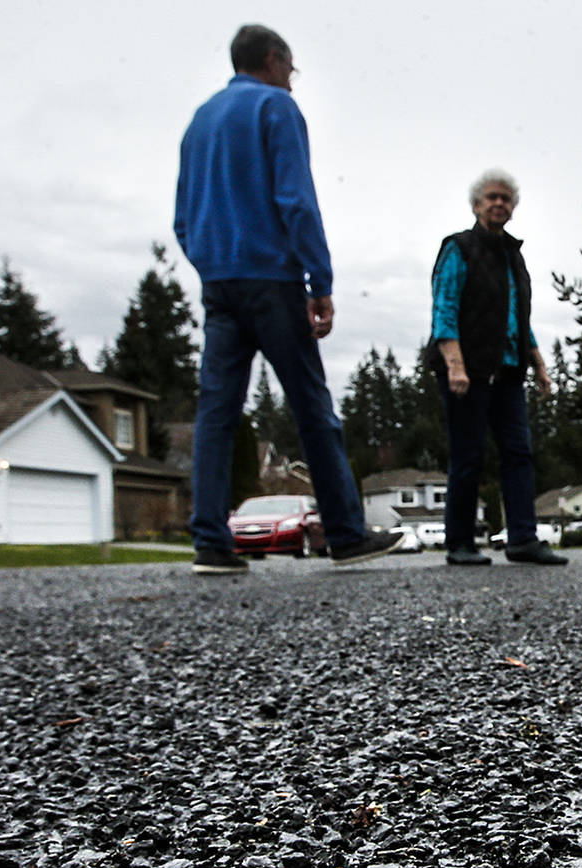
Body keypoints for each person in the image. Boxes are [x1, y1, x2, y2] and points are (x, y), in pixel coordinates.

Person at [174, 24, 401, 576]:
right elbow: (296, 199)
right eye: (292, 69)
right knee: (311, 408)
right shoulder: (275, 108)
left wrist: (212, 263)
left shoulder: (200, 120)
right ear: (274, 60)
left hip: (220, 283)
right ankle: (345, 533)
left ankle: (210, 541)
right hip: (272, 280)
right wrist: (318, 281)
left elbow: (183, 218)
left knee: (217, 413)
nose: (293, 82)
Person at [424, 170, 566, 566]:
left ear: (513, 207)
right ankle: (460, 543)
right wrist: (455, 365)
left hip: (507, 372)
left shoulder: (513, 257)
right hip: (467, 372)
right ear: (476, 205)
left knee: (519, 453)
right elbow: (444, 308)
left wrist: (538, 366)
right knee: (468, 455)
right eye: (492, 198)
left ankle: (522, 539)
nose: (499, 203)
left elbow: (518, 319)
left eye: (506, 198)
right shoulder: (459, 248)